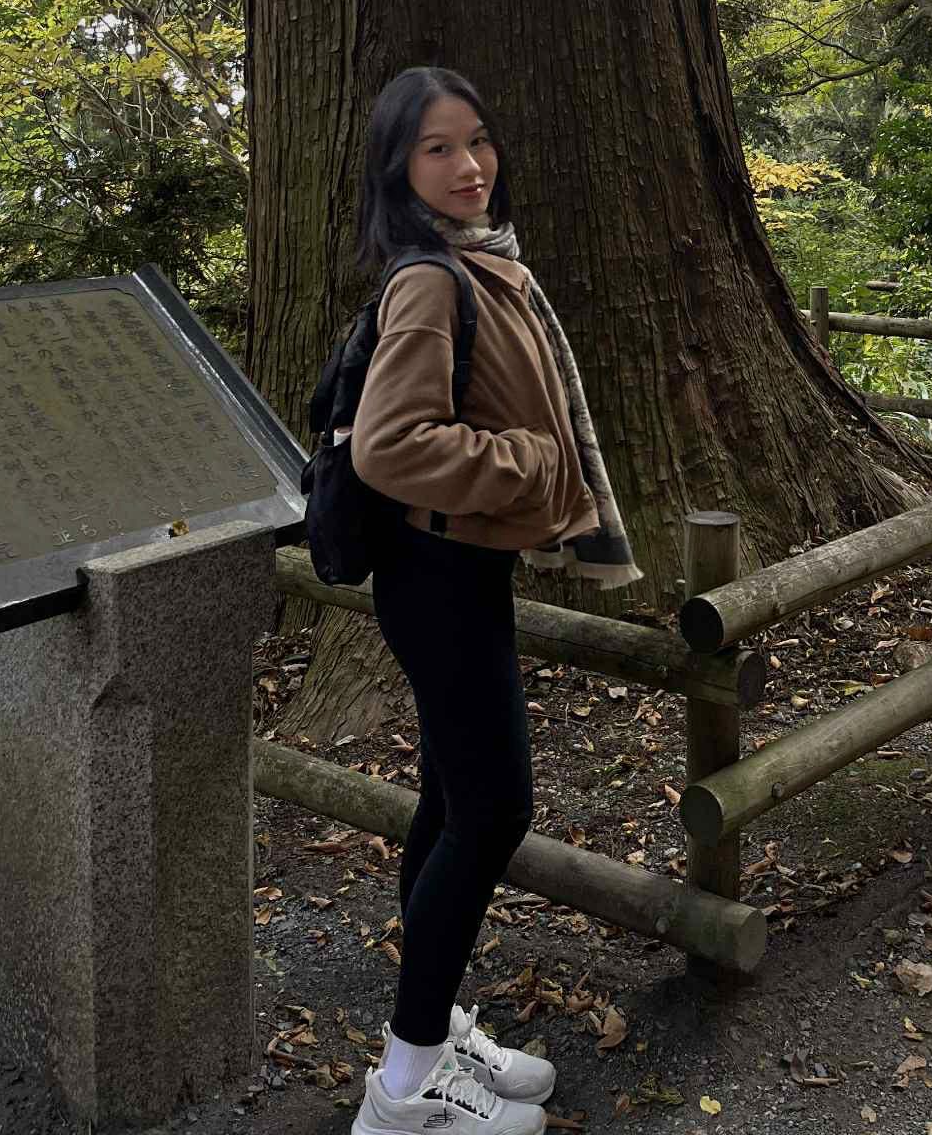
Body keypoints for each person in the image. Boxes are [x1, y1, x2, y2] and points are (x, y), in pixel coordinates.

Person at [346, 67, 641, 1135]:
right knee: (493, 812)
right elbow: (389, 446)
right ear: (399, 168)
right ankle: (403, 1089)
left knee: (448, 805)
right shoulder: (432, 280)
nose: (469, 165)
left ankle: (433, 1030)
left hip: (460, 570)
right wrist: (529, 464)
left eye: (477, 139)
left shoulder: (480, 261)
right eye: (438, 148)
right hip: (437, 575)